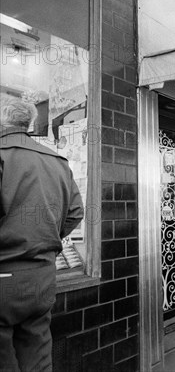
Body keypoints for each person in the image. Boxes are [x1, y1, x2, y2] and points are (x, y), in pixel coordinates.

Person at [0, 96, 84, 371]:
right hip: (42, 276)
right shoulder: (57, 159)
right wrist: (46, 235)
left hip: (5, 275)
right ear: (29, 123)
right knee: (37, 357)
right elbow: (75, 212)